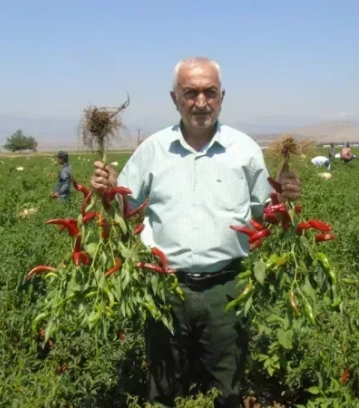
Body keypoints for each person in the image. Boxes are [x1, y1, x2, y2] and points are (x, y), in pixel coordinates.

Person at [90, 56, 301, 408]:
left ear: (222, 96)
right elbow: (125, 211)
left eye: (209, 92)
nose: (201, 102)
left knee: (228, 388)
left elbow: (267, 216)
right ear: (175, 98)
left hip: (228, 287)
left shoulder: (245, 150)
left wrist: (286, 199)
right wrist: (107, 191)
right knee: (162, 386)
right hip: (165, 286)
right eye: (190, 93)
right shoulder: (152, 151)